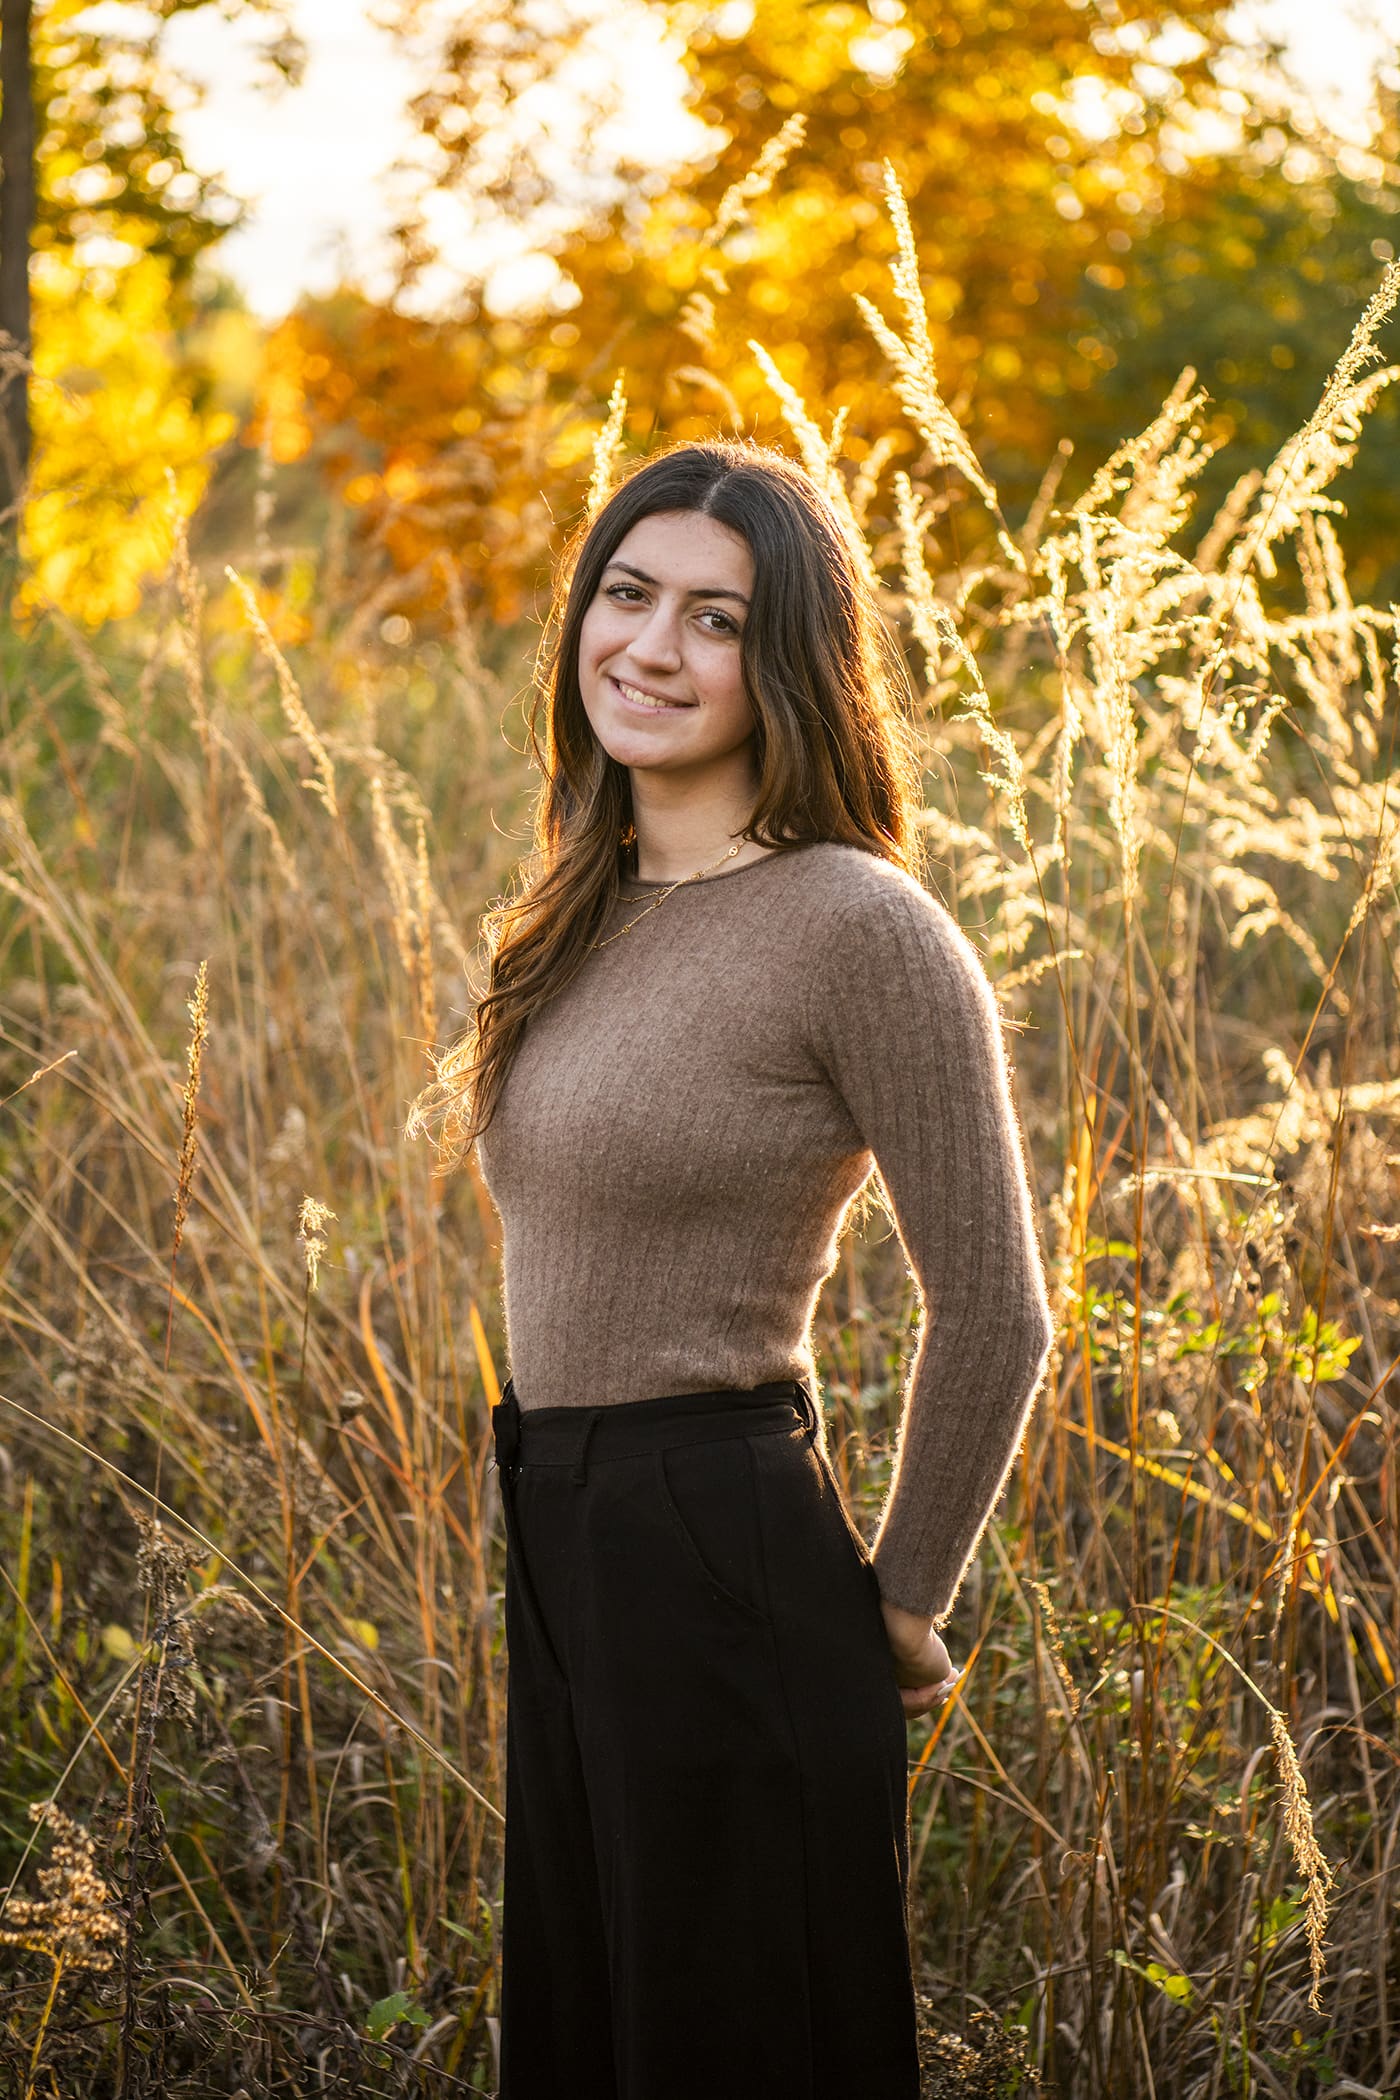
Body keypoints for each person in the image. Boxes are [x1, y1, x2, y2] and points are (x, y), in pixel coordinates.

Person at [408, 439, 1054, 2100]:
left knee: (733, 2044)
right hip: (559, 1524)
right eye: (627, 596)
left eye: (715, 619)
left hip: (721, 1539)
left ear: (789, 669)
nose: (651, 648)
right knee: (591, 2029)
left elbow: (997, 1306)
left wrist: (902, 1602)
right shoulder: (583, 904)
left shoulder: (859, 927)